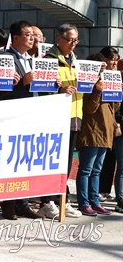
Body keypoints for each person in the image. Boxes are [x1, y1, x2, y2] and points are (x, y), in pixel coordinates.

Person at [0, 21, 45, 220]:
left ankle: (23, 202)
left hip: (33, 114)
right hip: (13, 115)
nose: (31, 38)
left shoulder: (34, 59)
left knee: (26, 160)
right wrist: (22, 85)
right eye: (27, 34)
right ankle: (8, 204)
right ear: (15, 38)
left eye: (32, 35)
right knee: (11, 160)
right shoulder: (5, 58)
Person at [44, 23, 84, 217]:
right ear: (58, 39)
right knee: (54, 160)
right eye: (69, 40)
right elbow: (42, 87)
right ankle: (48, 201)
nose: (73, 44)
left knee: (67, 162)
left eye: (75, 40)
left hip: (75, 116)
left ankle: (62, 199)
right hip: (57, 117)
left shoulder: (77, 61)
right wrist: (58, 90)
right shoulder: (49, 59)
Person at [76, 52, 117, 216]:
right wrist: (97, 92)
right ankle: (84, 202)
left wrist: (116, 92)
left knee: (97, 170)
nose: (103, 69)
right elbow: (89, 109)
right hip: (92, 131)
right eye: (101, 67)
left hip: (105, 131)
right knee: (86, 169)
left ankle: (95, 201)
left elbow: (114, 108)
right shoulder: (87, 83)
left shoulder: (106, 80)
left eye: (104, 67)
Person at [98, 49, 122, 202]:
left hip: (115, 123)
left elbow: (117, 103)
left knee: (113, 158)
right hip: (103, 123)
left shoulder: (117, 78)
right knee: (103, 160)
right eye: (111, 59)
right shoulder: (99, 78)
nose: (113, 63)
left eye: (116, 59)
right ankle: (101, 191)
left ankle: (107, 191)